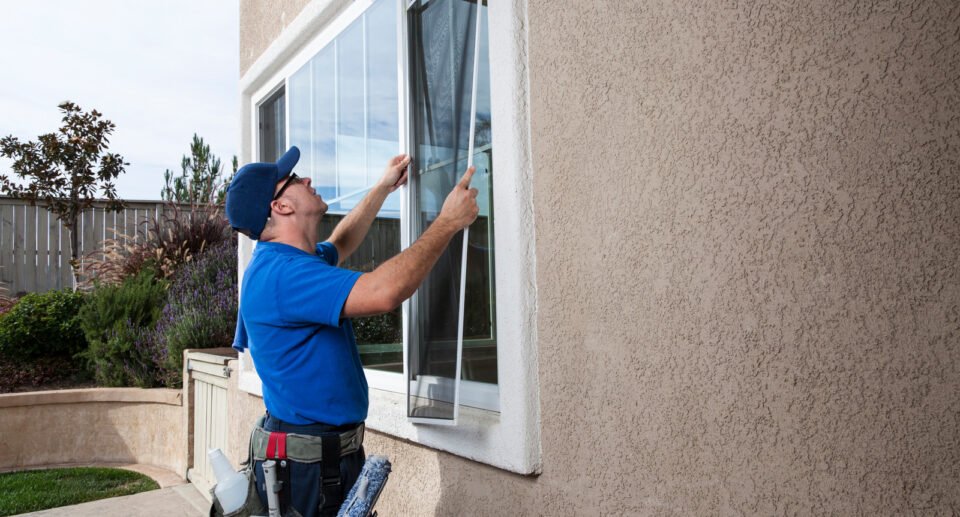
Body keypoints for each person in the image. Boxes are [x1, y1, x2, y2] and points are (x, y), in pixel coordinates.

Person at [225, 146, 478, 517]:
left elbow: (342, 242)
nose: (307, 179)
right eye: (294, 179)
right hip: (309, 468)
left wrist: (382, 187)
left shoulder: (293, 261)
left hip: (323, 454)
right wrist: (447, 223)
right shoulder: (283, 277)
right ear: (280, 207)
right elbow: (384, 292)